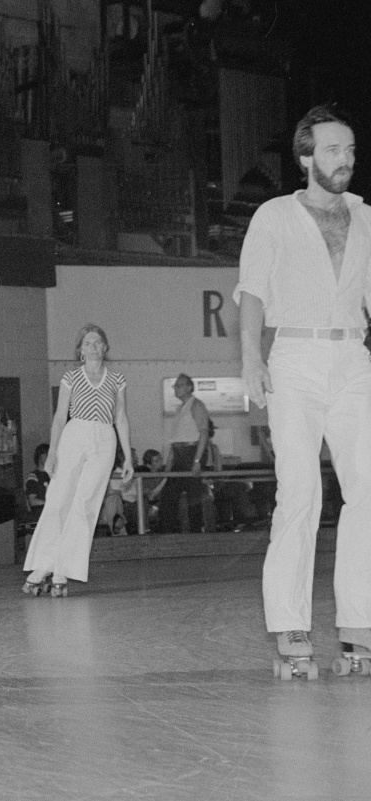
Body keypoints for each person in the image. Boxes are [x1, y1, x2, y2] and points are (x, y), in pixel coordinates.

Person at [236, 103, 371, 665]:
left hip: (354, 359)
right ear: (306, 155)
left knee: (367, 493)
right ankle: (291, 626)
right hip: (293, 356)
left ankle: (359, 624)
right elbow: (252, 292)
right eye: (334, 149)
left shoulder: (367, 216)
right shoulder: (273, 215)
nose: (346, 159)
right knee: (299, 495)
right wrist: (250, 358)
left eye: (351, 150)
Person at [22, 324, 133, 595]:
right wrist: (53, 454)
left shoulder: (117, 380)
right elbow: (60, 418)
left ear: (105, 347)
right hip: (75, 434)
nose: (93, 346)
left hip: (105, 438)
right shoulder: (71, 377)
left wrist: (128, 457)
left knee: (85, 505)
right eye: (88, 343)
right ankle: (42, 565)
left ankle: (62, 569)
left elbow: (121, 418)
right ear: (80, 351)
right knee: (59, 500)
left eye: (98, 342)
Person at [162, 373, 211, 532]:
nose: (175, 388)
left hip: (192, 452)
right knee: (169, 495)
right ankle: (170, 533)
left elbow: (204, 432)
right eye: (175, 386)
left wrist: (197, 461)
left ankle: (196, 533)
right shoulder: (180, 408)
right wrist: (170, 461)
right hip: (180, 454)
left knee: (193, 496)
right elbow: (176, 438)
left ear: (189, 387)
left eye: (178, 385)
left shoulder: (196, 405)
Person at [24, 443, 50, 523]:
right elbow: (32, 501)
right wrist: (49, 503)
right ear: (40, 456)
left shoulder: (51, 475)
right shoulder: (34, 476)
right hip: (40, 515)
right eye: (47, 454)